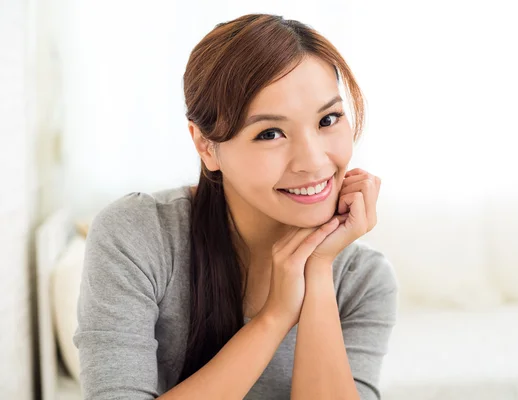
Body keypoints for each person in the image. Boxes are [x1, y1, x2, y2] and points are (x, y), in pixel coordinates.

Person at [74, 13, 398, 400]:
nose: (313, 161)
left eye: (328, 119)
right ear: (206, 146)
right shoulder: (139, 236)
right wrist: (274, 317)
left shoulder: (364, 280)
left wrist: (318, 269)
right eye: (270, 133)